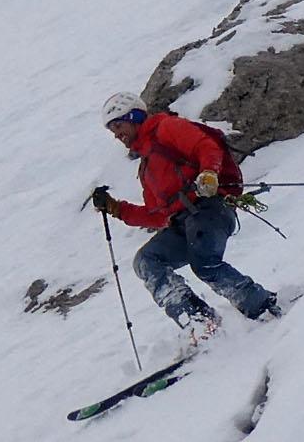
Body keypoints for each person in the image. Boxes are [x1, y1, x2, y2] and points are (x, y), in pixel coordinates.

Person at [91, 91, 280, 338]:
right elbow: (157, 215)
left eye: (118, 126)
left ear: (134, 117)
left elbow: (206, 146)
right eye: (112, 130)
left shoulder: (166, 128)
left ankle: (260, 305)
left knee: (205, 263)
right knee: (147, 261)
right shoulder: (147, 166)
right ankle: (199, 322)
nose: (117, 135)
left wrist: (209, 173)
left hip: (210, 208)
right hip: (183, 222)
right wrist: (116, 208)